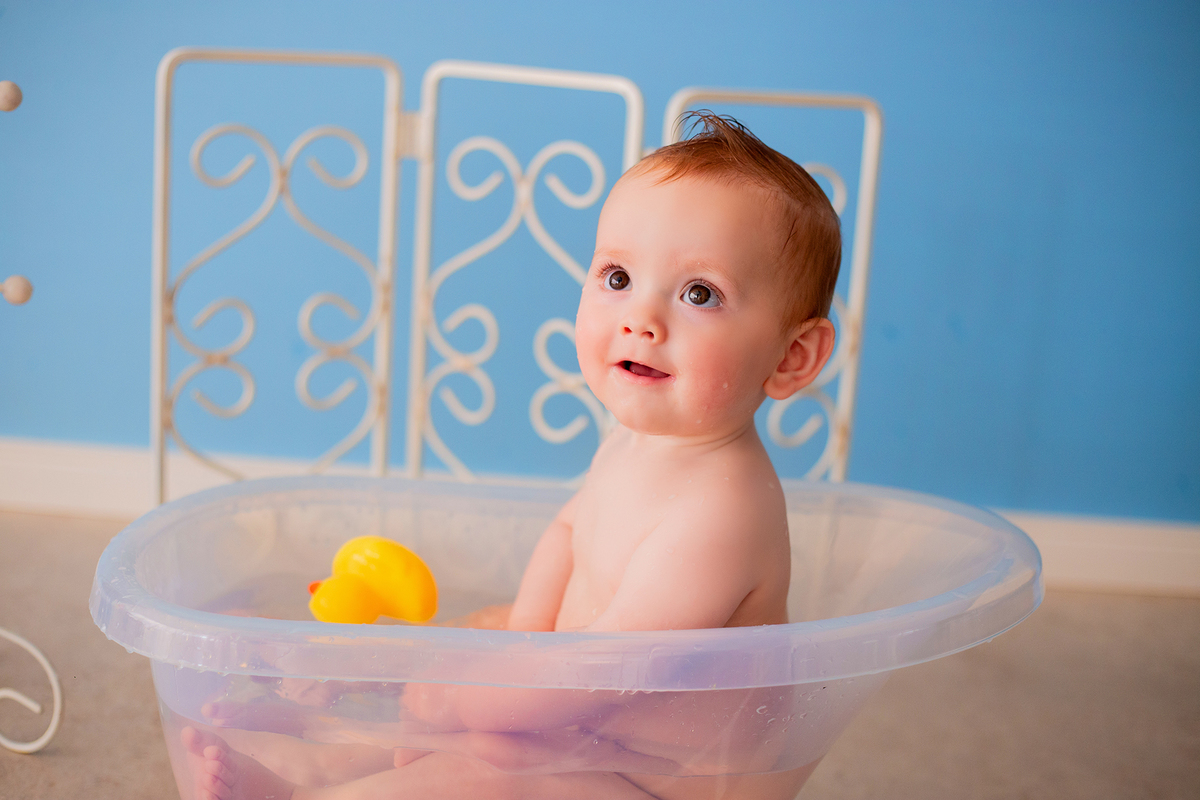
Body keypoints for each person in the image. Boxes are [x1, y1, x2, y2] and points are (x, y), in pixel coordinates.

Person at [183, 111, 841, 800]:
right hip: (588, 725)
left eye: (699, 293)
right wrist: (519, 645)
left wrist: (475, 701)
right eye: (617, 277)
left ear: (792, 357)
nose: (640, 318)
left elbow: (607, 671)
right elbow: (568, 533)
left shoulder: (722, 513)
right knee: (475, 668)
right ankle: (317, 765)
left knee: (483, 765)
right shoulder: (642, 442)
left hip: (654, 783)